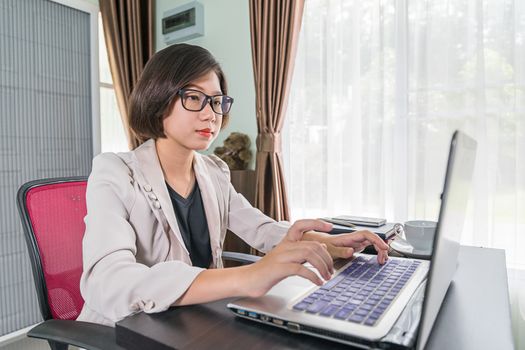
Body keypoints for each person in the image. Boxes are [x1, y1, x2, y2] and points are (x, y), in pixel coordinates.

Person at [77, 43, 389, 326]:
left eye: (216, 101)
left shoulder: (214, 171)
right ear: (158, 99)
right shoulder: (114, 172)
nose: (210, 114)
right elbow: (108, 281)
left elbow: (262, 231)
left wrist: (334, 242)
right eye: (194, 98)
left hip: (194, 323)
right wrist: (249, 277)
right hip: (126, 331)